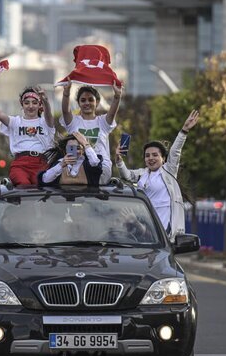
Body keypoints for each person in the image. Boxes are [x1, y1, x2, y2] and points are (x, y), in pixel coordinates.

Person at [115, 110, 199, 241]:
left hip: (163, 229)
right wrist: (119, 160)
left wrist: (184, 130)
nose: (151, 158)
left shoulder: (168, 171)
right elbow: (126, 175)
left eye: (155, 155)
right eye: (147, 156)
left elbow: (176, 151)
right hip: (144, 225)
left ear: (164, 158)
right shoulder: (142, 174)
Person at [0, 85, 56, 186]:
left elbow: (48, 114)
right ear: (22, 104)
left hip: (41, 162)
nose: (30, 106)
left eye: (34, 103)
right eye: (26, 103)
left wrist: (46, 101)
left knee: (39, 190)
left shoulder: (46, 122)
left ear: (40, 105)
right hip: (20, 163)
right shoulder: (15, 121)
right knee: (23, 184)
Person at [61, 82, 122, 184]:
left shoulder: (103, 122)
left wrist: (117, 96)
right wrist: (66, 93)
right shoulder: (74, 122)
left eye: (90, 100)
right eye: (83, 100)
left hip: (101, 168)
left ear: (97, 102)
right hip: (77, 168)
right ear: (78, 103)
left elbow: (112, 112)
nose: (87, 103)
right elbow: (66, 111)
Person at [38, 131, 102, 186]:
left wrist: (85, 143)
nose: (75, 151)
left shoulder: (88, 163)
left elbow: (95, 162)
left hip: (85, 198)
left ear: (84, 149)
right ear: (65, 150)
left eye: (78, 148)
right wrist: (61, 165)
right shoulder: (60, 163)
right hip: (62, 199)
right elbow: (45, 179)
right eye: (71, 148)